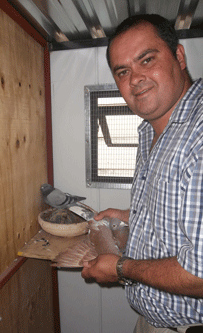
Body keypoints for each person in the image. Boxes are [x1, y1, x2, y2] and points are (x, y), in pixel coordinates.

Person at [81, 14, 203, 333]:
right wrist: (129, 215)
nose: (135, 79)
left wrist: (121, 268)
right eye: (123, 71)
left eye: (146, 60)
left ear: (178, 56)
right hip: (151, 322)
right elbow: (184, 217)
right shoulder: (150, 132)